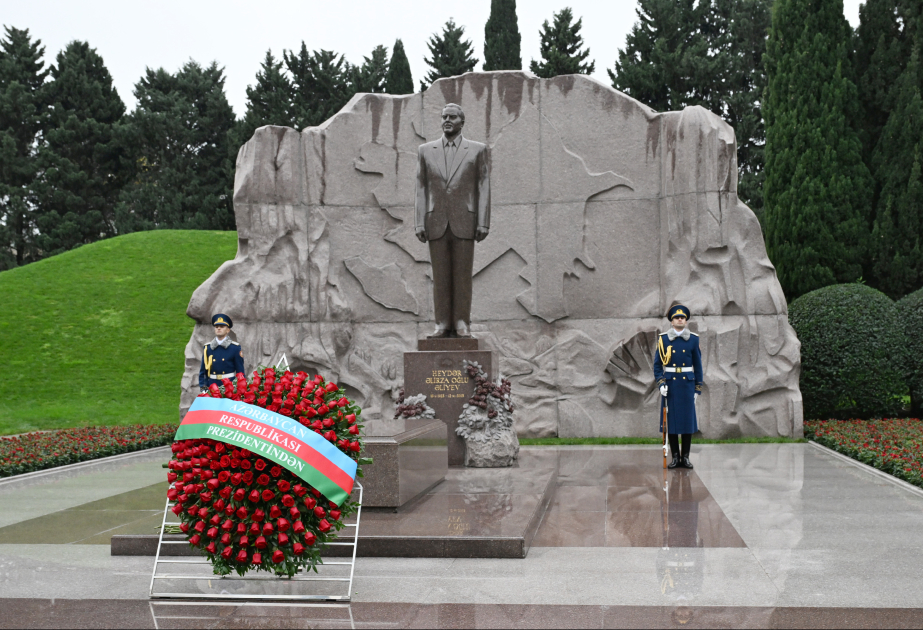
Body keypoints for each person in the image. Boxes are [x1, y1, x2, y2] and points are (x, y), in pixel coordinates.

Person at [414, 103, 491, 338]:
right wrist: (419, 222)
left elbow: (484, 186)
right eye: (444, 116)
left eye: (452, 117)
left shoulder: (478, 150)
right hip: (435, 221)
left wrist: (483, 221)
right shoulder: (425, 150)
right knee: (440, 277)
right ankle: (441, 323)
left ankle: (461, 322)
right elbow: (420, 188)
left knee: (462, 275)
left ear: (462, 122)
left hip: (465, 222)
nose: (447, 120)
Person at [653, 303, 703, 469]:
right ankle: (675, 457)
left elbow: (698, 365)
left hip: (687, 385)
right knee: (672, 422)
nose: (680, 320)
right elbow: (658, 365)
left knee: (687, 423)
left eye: (682, 317)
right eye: (677, 317)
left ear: (686, 321)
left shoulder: (694, 339)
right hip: (671, 385)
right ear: (672, 321)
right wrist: (660, 384)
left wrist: (697, 388)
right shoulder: (664, 339)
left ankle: (686, 457)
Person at [198, 313, 245, 393]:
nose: (218, 329)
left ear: (228, 330)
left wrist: (240, 389)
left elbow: (240, 372)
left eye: (222, 327)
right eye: (216, 327)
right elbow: (203, 372)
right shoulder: (208, 348)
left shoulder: (234, 348)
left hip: (229, 386)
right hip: (212, 386)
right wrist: (204, 388)